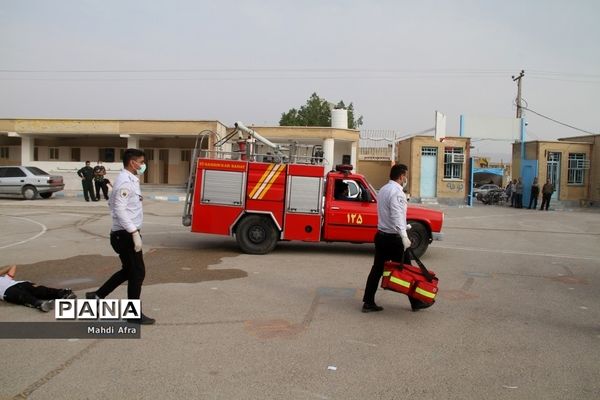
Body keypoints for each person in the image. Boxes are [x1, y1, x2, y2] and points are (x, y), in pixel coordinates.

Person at [86, 149, 155, 325]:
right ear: (133, 163)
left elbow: (112, 203)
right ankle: (132, 314)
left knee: (128, 270)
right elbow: (118, 208)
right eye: (141, 162)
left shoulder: (129, 179)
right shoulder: (125, 182)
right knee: (137, 273)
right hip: (125, 235)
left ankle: (97, 296)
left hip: (124, 233)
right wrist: (133, 232)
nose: (142, 165)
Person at [362, 164, 428, 313]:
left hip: (381, 235)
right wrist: (404, 236)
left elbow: (389, 214)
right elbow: (397, 215)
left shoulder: (384, 189)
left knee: (377, 269)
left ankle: (368, 301)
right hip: (394, 239)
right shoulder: (397, 193)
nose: (406, 179)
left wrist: (405, 227)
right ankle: (416, 302)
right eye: (405, 176)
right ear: (401, 176)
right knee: (408, 270)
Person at [0, 265, 76, 312]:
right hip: (7, 291)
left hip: (20, 284)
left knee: (40, 290)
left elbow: (12, 266)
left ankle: (63, 293)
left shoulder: (4, 278)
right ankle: (40, 304)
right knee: (23, 296)